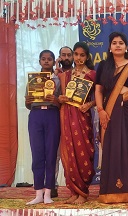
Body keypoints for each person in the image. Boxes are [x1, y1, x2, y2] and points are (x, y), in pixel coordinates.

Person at [95, 32, 128, 203]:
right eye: (114, 43)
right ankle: (110, 189)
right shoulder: (103, 66)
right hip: (108, 113)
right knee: (112, 148)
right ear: (110, 47)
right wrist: (101, 110)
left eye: (121, 43)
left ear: (126, 47)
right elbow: (99, 90)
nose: (118, 45)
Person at [58, 42, 96, 205]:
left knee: (83, 152)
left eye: (82, 55)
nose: (79, 58)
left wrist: (90, 104)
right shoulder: (66, 75)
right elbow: (59, 96)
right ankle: (73, 191)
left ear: (87, 57)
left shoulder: (92, 75)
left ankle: (83, 192)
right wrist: (60, 98)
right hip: (67, 115)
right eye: (76, 54)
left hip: (82, 116)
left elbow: (101, 96)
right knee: (69, 151)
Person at [24, 50, 61, 205]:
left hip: (52, 115)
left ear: (53, 61)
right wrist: (28, 101)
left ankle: (48, 193)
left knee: (51, 154)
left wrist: (55, 100)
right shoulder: (32, 80)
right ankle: (38, 193)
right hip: (36, 116)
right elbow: (28, 104)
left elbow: (62, 102)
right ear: (39, 61)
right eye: (43, 59)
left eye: (49, 59)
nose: (46, 61)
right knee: (37, 153)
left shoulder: (58, 80)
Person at [52, 46, 74, 198]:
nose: (66, 58)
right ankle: (52, 185)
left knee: (72, 153)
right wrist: (56, 73)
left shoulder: (77, 74)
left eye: (69, 55)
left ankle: (74, 186)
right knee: (55, 153)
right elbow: (51, 94)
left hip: (74, 118)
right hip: (56, 116)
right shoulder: (55, 75)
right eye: (63, 55)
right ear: (59, 58)